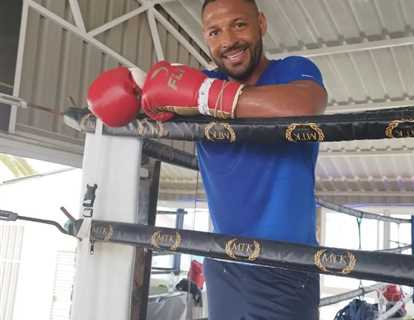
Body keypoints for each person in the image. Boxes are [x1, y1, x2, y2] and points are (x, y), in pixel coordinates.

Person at [87, 0, 327, 318]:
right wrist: (136, 90)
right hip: (222, 263)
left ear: (262, 24)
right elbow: (133, 107)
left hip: (287, 264)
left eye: (239, 25)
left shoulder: (292, 71)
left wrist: (205, 96)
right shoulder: (196, 85)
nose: (228, 41)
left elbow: (304, 105)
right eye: (215, 32)